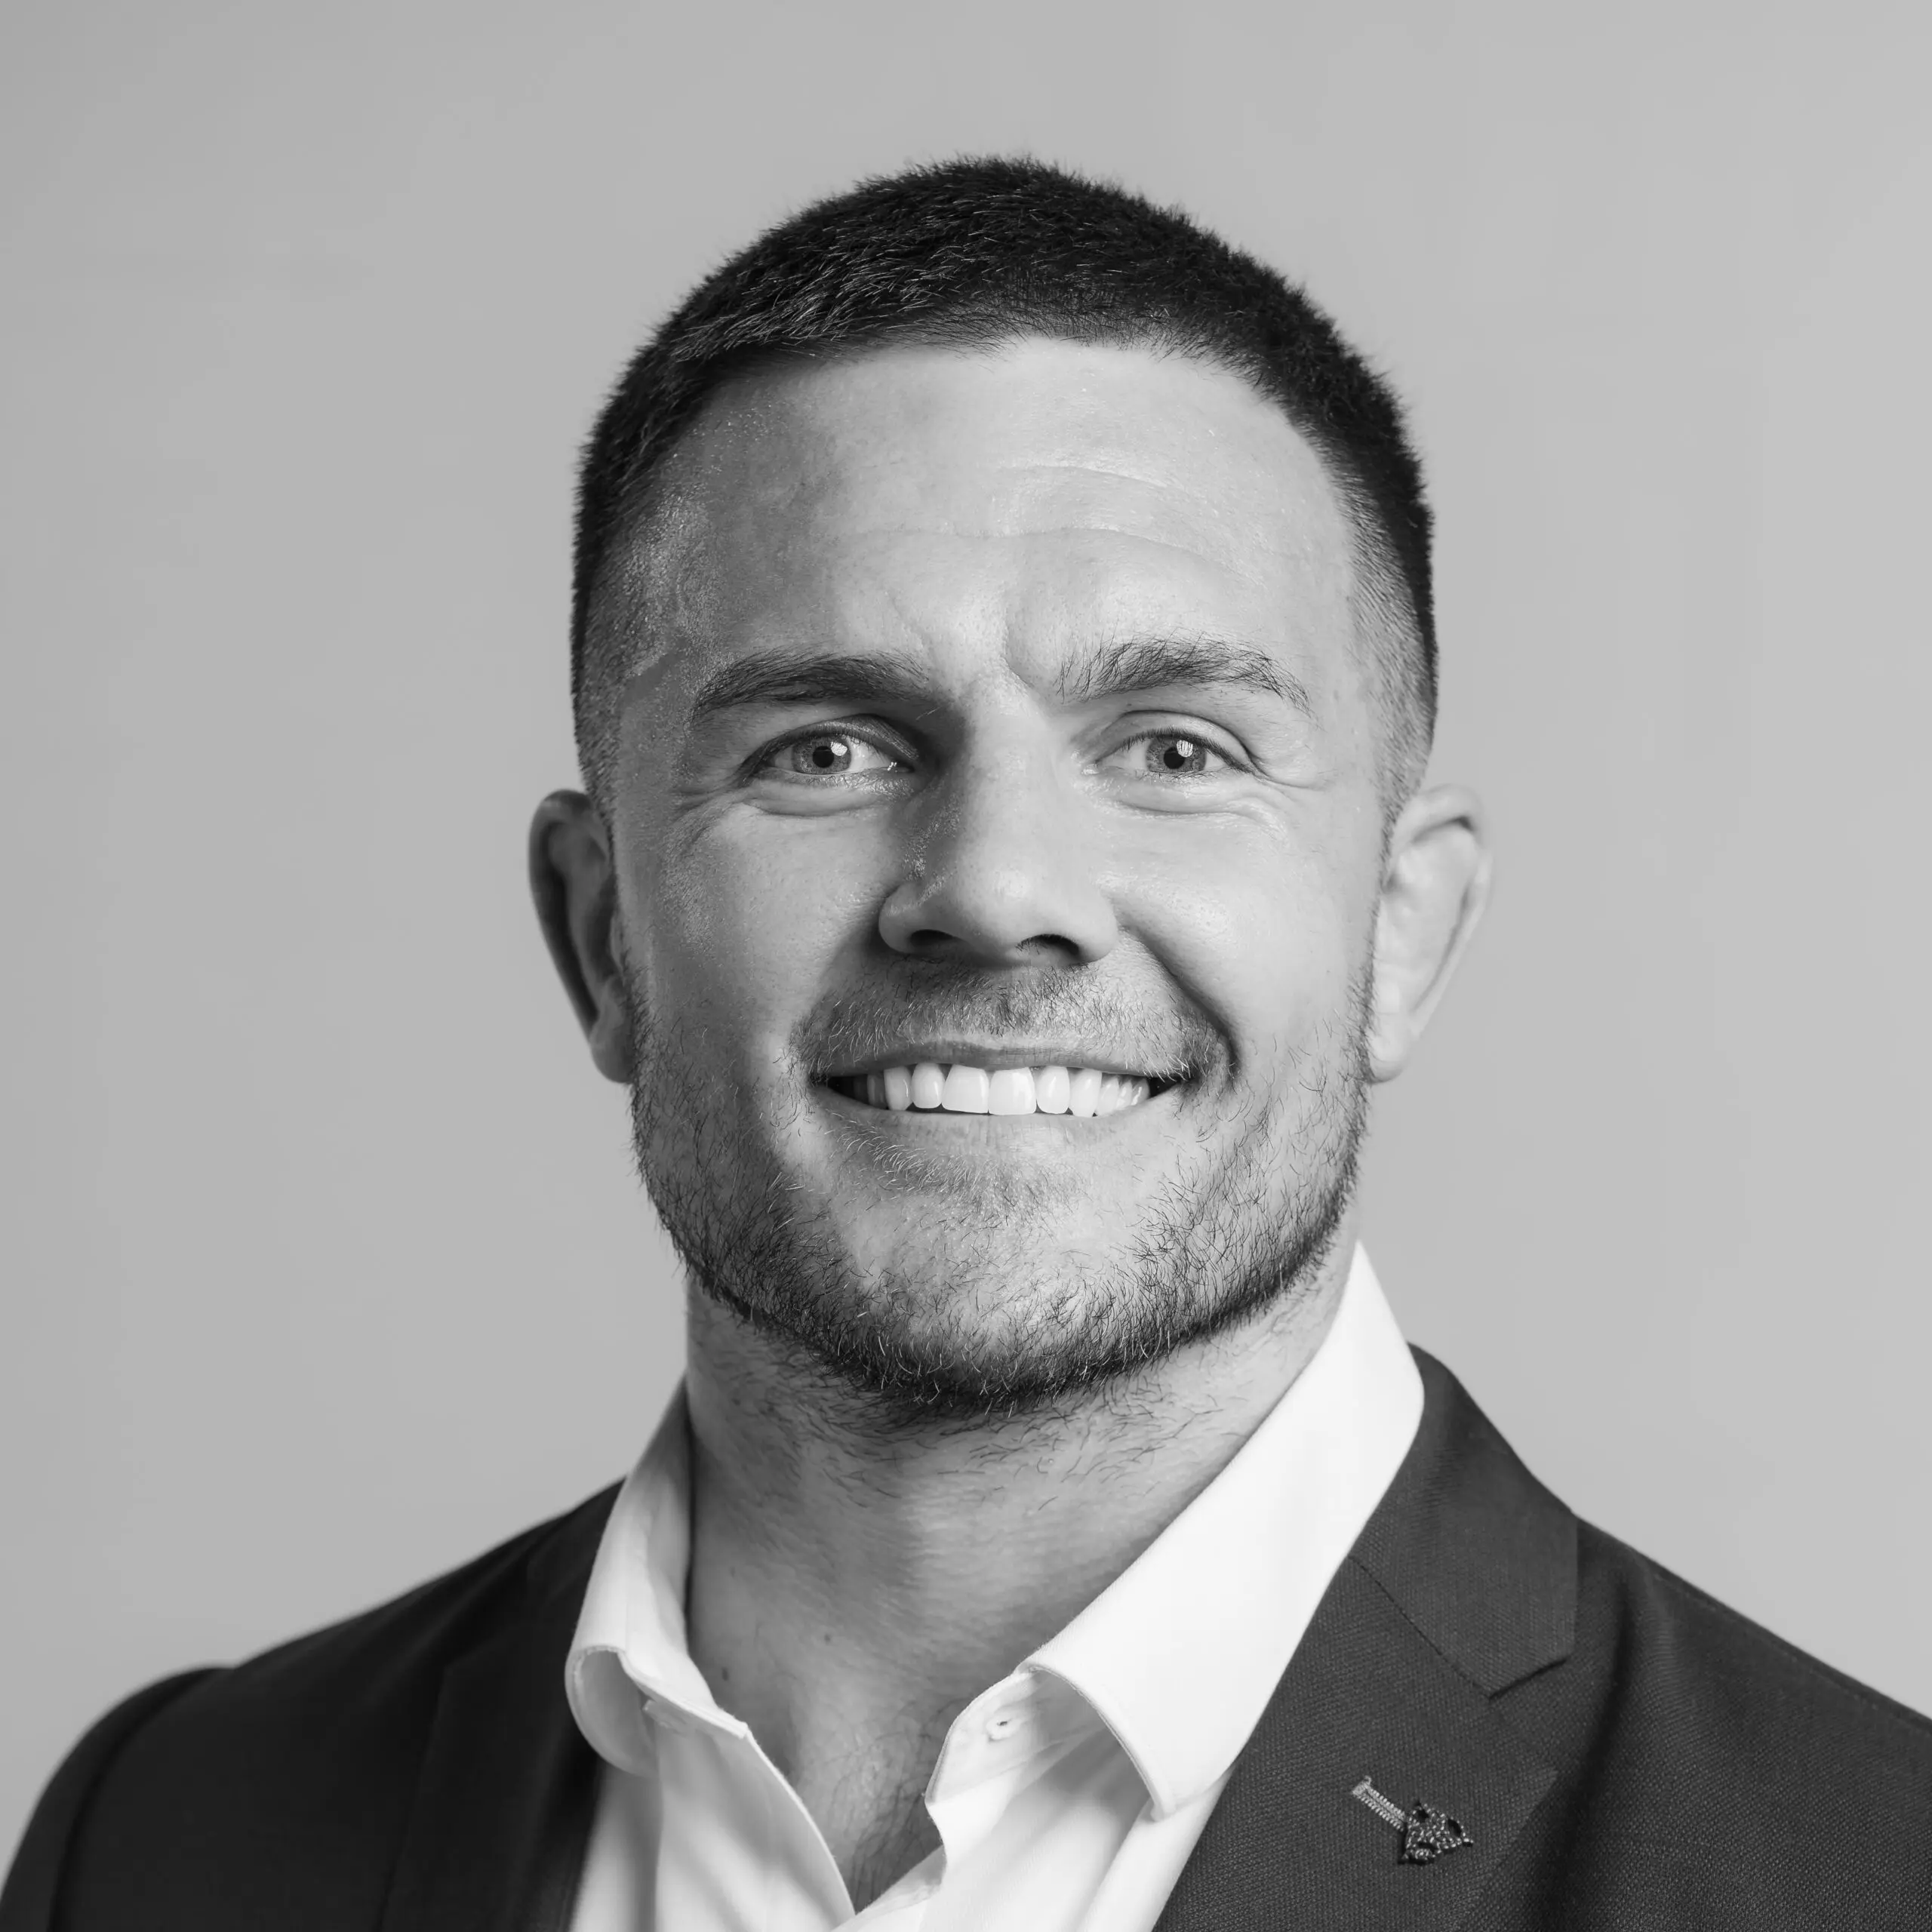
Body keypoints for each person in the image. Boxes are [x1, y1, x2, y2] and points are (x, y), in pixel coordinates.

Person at [5, 155, 1928, 1932]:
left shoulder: (1858, 1873)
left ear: (1398, 932)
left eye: (1174, 746)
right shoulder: (166, 1839)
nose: (998, 889)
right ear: (600, 935)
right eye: (825, 747)